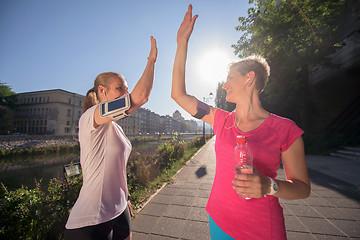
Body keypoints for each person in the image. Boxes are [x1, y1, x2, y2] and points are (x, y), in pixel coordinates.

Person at [171, 5, 310, 240]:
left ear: (249, 78)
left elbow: (302, 188)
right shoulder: (221, 119)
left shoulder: (285, 129)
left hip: (261, 230)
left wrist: (269, 186)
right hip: (218, 220)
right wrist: (182, 43)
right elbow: (179, 95)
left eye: (229, 78)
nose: (224, 85)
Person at [64, 36, 157, 240]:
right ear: (102, 91)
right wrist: (151, 61)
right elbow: (140, 97)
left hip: (120, 207)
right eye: (120, 88)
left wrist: (126, 197)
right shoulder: (91, 116)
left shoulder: (115, 127)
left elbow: (118, 168)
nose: (126, 92)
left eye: (126, 87)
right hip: (91, 218)